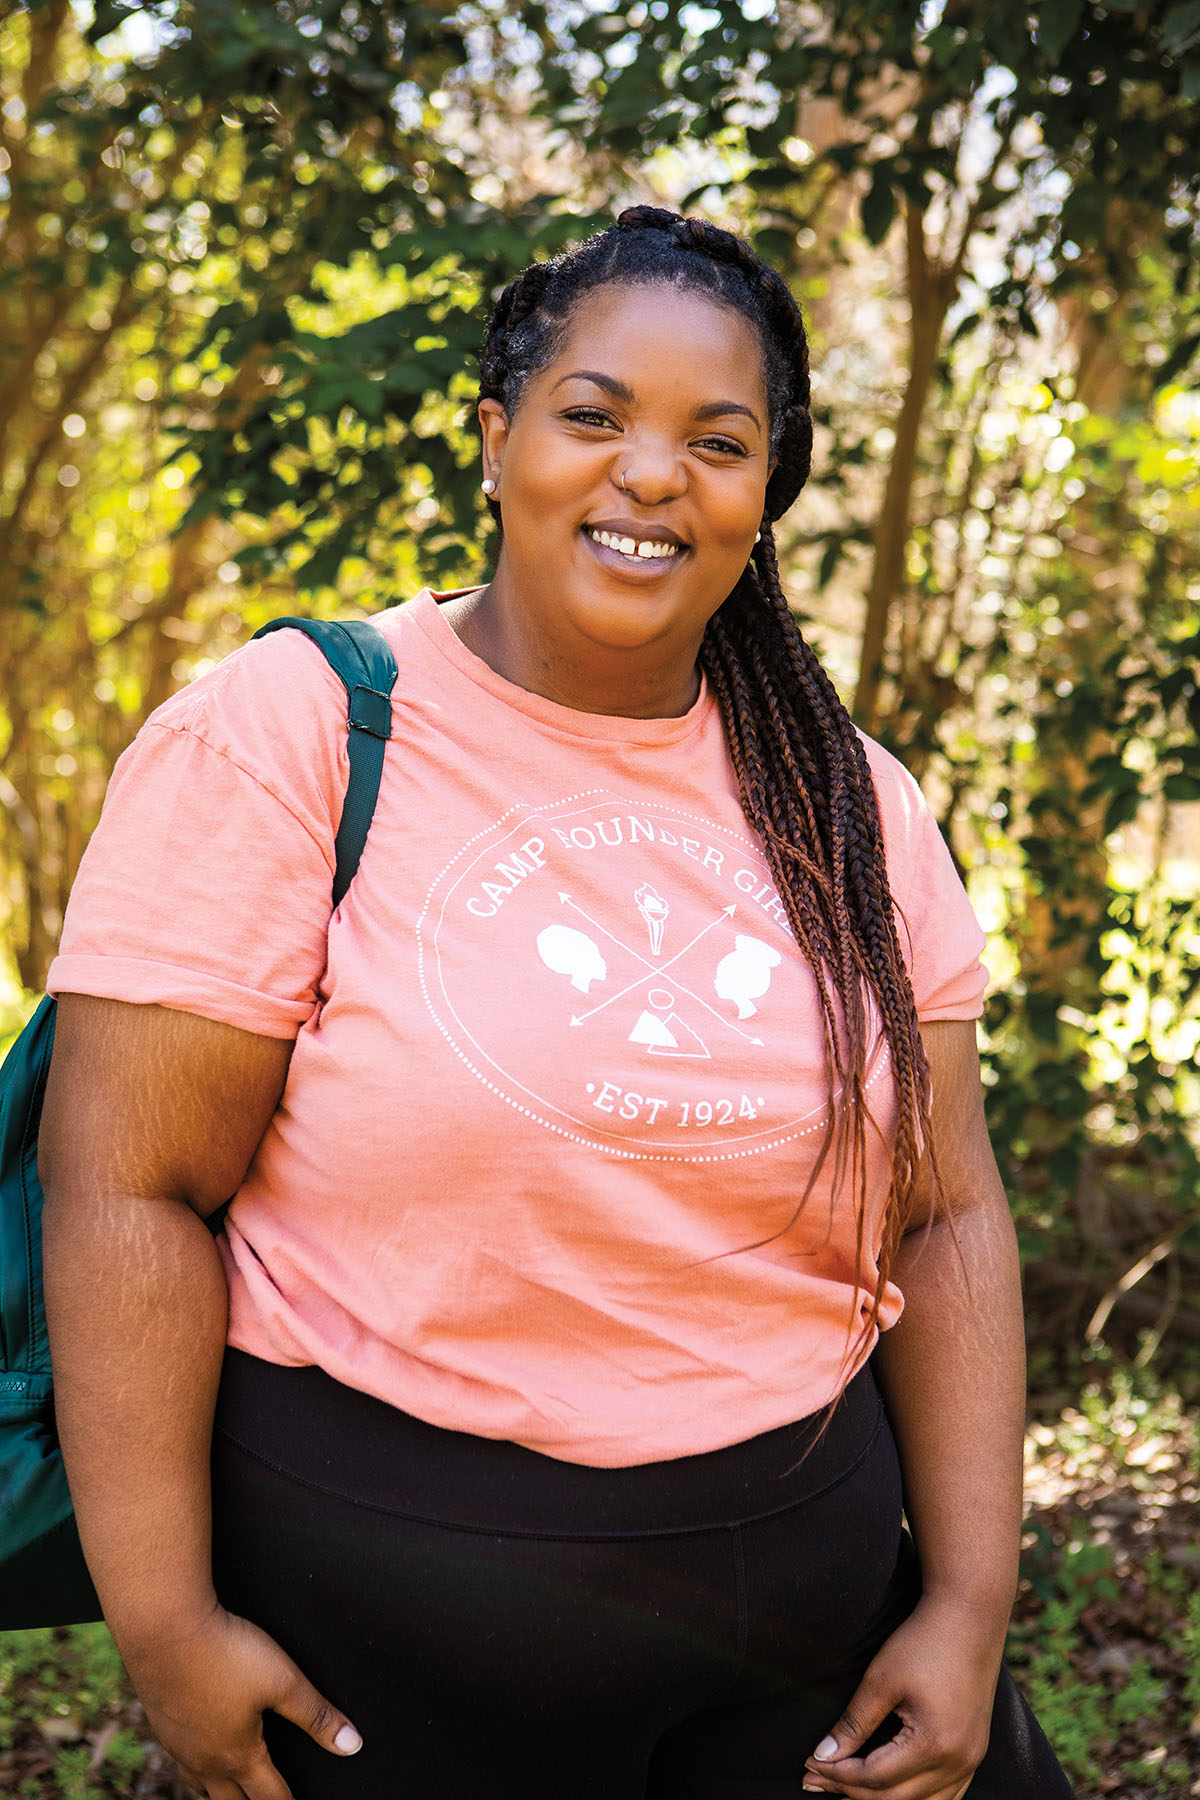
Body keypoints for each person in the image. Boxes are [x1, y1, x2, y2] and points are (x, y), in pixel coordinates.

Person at [39, 206, 1076, 1800]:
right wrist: (164, 1622)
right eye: (592, 415)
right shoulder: (297, 735)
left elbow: (945, 1217)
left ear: (766, 491)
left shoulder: (853, 805)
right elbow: (127, 1189)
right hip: (389, 1670)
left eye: (715, 440)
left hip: (804, 1666)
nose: (651, 474)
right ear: (495, 436)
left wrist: (967, 1600)